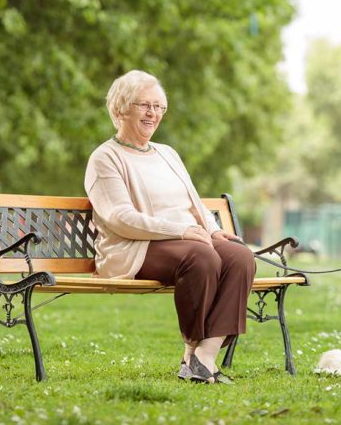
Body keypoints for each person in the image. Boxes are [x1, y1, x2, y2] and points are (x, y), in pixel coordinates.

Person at [84, 70, 255, 384]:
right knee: (202, 258)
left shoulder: (167, 154)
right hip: (134, 246)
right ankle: (191, 354)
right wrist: (181, 231)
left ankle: (204, 357)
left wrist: (213, 230)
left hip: (189, 240)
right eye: (144, 105)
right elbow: (120, 218)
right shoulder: (105, 158)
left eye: (159, 106)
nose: (153, 113)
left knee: (240, 258)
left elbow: (193, 202)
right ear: (120, 109)